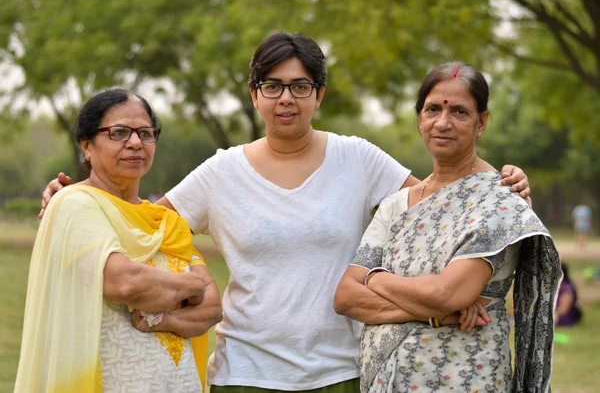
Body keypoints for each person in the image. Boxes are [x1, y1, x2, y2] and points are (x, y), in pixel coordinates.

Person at [39, 33, 532, 392]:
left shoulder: (356, 157)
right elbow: (139, 224)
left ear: (319, 94)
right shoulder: (222, 171)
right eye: (272, 86)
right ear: (255, 96)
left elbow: (436, 204)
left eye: (300, 86)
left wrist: (500, 184)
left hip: (342, 370)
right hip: (246, 371)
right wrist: (73, 198)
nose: (286, 99)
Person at [334, 61, 561, 393]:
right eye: (432, 110)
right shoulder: (397, 204)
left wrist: (375, 278)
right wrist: (438, 316)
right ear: (419, 119)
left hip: (465, 379)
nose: (443, 122)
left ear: (481, 122)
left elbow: (447, 293)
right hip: (387, 379)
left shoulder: (498, 201)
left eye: (459, 112)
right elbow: (346, 297)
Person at [15, 89, 222, 392]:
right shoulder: (76, 204)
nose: (136, 143)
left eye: (146, 133)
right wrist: (192, 285)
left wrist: (163, 320)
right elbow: (126, 284)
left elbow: (212, 310)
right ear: (86, 146)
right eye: (119, 132)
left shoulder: (164, 221)